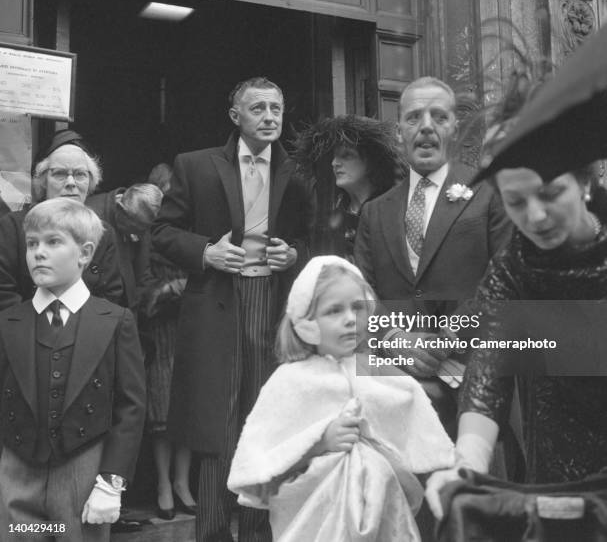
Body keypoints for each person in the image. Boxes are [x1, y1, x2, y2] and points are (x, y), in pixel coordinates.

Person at [152, 77, 311, 541]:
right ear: (235, 116)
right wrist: (206, 252)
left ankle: (261, 534)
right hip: (216, 306)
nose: (269, 116)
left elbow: (315, 235)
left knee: (266, 421)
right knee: (216, 430)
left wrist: (294, 255)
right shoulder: (196, 165)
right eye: (258, 108)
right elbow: (162, 232)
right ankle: (213, 534)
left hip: (272, 306)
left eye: (276, 108)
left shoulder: (299, 171)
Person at [425, 116, 607, 522]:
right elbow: (490, 372)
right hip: (561, 441)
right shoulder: (512, 268)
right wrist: (466, 463)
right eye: (516, 201)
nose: (536, 217)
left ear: (585, 182)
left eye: (550, 193)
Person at [227, 255, 455, 541]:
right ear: (305, 321)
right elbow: (265, 463)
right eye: (334, 311)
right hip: (314, 520)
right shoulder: (291, 382)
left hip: (382, 518)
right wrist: (320, 441)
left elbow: (413, 416)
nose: (349, 319)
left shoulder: (375, 372)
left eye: (357, 307)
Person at [354, 76, 512, 437]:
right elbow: (360, 294)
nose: (426, 127)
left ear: (455, 128)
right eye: (413, 118)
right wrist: (394, 338)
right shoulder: (374, 212)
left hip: (473, 394)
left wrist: (451, 337)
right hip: (396, 394)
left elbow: (506, 280)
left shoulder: (491, 194)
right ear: (399, 132)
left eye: (439, 117)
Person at [0, 198, 146, 542]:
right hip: (17, 472)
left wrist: (112, 480)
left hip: (84, 469)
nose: (38, 252)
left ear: (85, 253)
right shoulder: (8, 322)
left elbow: (131, 407)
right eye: (32, 243)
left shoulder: (115, 320)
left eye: (53, 242)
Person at [0, 129, 123, 312]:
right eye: (60, 174)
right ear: (43, 181)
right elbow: (4, 294)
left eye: (80, 174)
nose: (71, 182)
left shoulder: (103, 233)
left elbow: (110, 297)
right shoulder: (12, 227)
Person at [140, 166, 193, 520]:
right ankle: (162, 484)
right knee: (161, 413)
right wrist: (171, 291)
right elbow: (139, 289)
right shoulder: (144, 236)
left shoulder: (192, 231)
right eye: (164, 191)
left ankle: (182, 482)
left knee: (190, 411)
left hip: (192, 329)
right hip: (160, 334)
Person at [293, 115, 403, 260]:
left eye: (347, 155)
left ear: (371, 162)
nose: (334, 163)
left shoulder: (390, 211)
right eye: (334, 156)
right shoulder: (333, 213)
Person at [87, 183, 161, 311]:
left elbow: (142, 270)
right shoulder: (91, 220)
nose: (141, 235)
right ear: (120, 209)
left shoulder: (140, 217)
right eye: (138, 229)